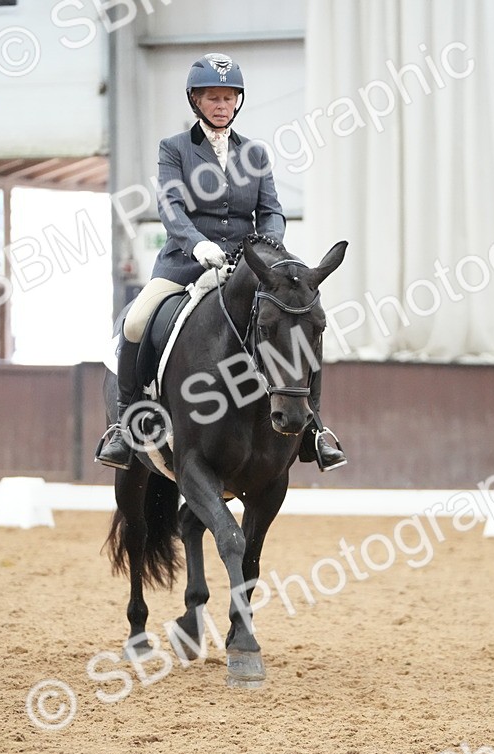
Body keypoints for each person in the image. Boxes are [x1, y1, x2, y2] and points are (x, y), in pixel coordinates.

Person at [96, 52, 347, 472]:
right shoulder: (174, 149)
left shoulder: (256, 153)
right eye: (213, 97)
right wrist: (196, 245)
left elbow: (271, 210)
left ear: (238, 102)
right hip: (185, 264)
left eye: (229, 98)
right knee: (136, 322)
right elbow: (171, 205)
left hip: (247, 267)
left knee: (303, 321)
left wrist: (269, 246)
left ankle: (316, 429)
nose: (222, 105)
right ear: (196, 101)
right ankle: (126, 424)